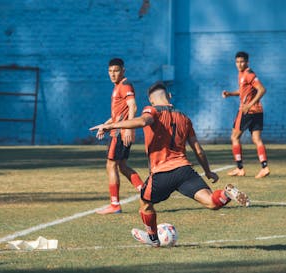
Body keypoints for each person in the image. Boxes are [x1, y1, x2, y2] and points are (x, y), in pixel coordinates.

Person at [90, 82, 250, 247]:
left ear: (152, 101)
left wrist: (110, 126)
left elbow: (142, 121)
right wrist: (208, 172)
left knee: (145, 204)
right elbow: (198, 150)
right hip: (184, 171)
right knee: (212, 202)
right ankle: (226, 193)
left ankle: (153, 240)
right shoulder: (185, 118)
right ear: (169, 97)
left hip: (162, 172)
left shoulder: (152, 111)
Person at [94, 58, 144, 215]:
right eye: (110, 71)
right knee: (122, 166)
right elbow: (118, 115)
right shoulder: (117, 87)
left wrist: (128, 129)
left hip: (120, 133)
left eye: (116, 71)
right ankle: (146, 192)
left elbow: (133, 106)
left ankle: (115, 204)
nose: (112, 74)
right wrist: (105, 125)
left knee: (111, 165)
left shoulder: (124, 85)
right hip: (119, 130)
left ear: (123, 71)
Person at [222, 51, 270, 179]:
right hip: (258, 111)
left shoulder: (249, 74)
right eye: (237, 62)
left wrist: (249, 105)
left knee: (234, 137)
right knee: (257, 139)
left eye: (242, 61)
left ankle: (239, 168)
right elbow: (244, 91)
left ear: (247, 62)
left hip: (247, 111)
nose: (239, 64)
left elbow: (262, 89)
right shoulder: (242, 74)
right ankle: (264, 168)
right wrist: (230, 94)